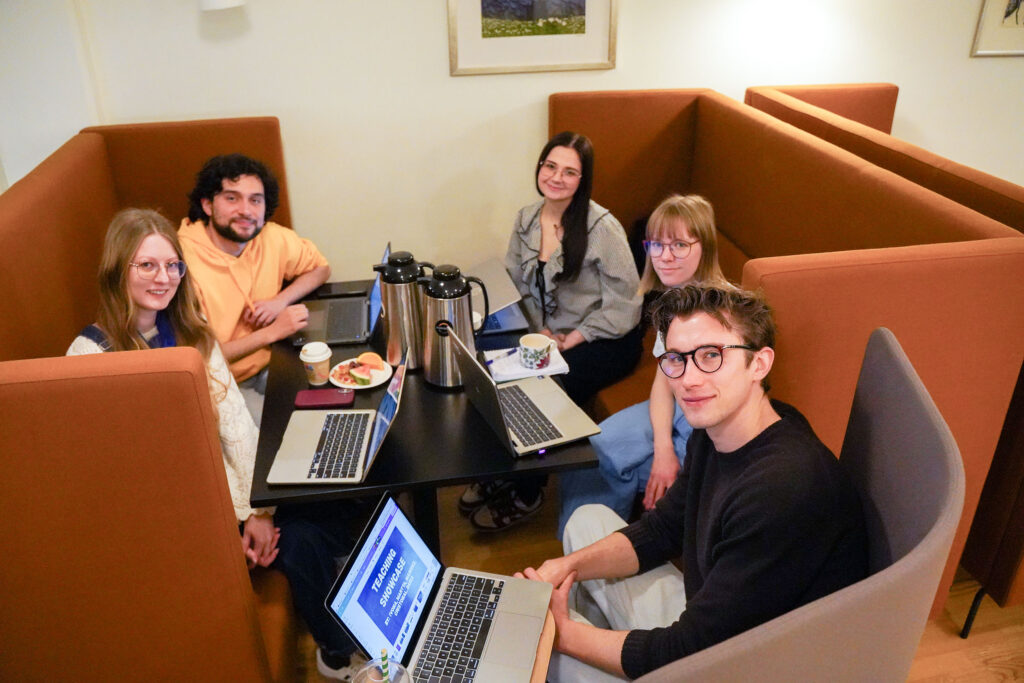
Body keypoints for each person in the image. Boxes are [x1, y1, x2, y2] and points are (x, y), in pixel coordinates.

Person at [67, 209, 365, 680]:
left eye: (172, 266)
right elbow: (129, 476)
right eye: (146, 265)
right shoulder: (89, 356)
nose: (163, 278)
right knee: (303, 539)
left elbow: (235, 426)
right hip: (174, 518)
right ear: (116, 268)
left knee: (344, 496)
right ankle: (338, 653)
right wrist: (237, 522)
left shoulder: (189, 330)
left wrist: (258, 514)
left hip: (224, 494)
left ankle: (345, 583)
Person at [517, 283, 868, 682]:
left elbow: (690, 652)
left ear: (760, 364)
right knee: (586, 521)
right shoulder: (722, 428)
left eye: (710, 356)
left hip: (746, 667)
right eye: (676, 359)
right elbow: (662, 529)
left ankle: (580, 641)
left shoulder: (783, 487)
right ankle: (587, 636)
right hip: (716, 622)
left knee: (546, 656)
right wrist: (564, 567)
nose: (688, 379)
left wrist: (563, 636)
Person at [462, 131, 643, 532]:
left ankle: (528, 490)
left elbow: (626, 303)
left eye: (570, 172)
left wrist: (572, 339)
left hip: (606, 337)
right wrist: (538, 329)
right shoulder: (526, 218)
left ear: (583, 180)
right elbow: (516, 284)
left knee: (547, 386)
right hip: (549, 333)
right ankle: (505, 466)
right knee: (491, 369)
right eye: (550, 166)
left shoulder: (602, 228)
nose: (556, 177)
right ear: (539, 168)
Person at [557, 194, 730, 537]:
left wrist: (670, 455)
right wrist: (663, 445)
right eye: (656, 244)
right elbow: (665, 381)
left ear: (705, 247)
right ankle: (580, 554)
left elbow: (720, 408)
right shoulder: (671, 301)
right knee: (587, 453)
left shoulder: (719, 314)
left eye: (679, 244)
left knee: (616, 468)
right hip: (675, 408)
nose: (664, 256)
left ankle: (601, 562)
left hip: (708, 426)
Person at [179, 153, 331, 423]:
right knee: (287, 439)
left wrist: (280, 301)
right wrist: (272, 332)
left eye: (255, 200)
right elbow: (195, 360)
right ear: (207, 205)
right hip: (225, 383)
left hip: (278, 363)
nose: (246, 210)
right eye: (231, 198)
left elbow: (320, 268)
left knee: (341, 407)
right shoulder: (179, 265)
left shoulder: (271, 237)